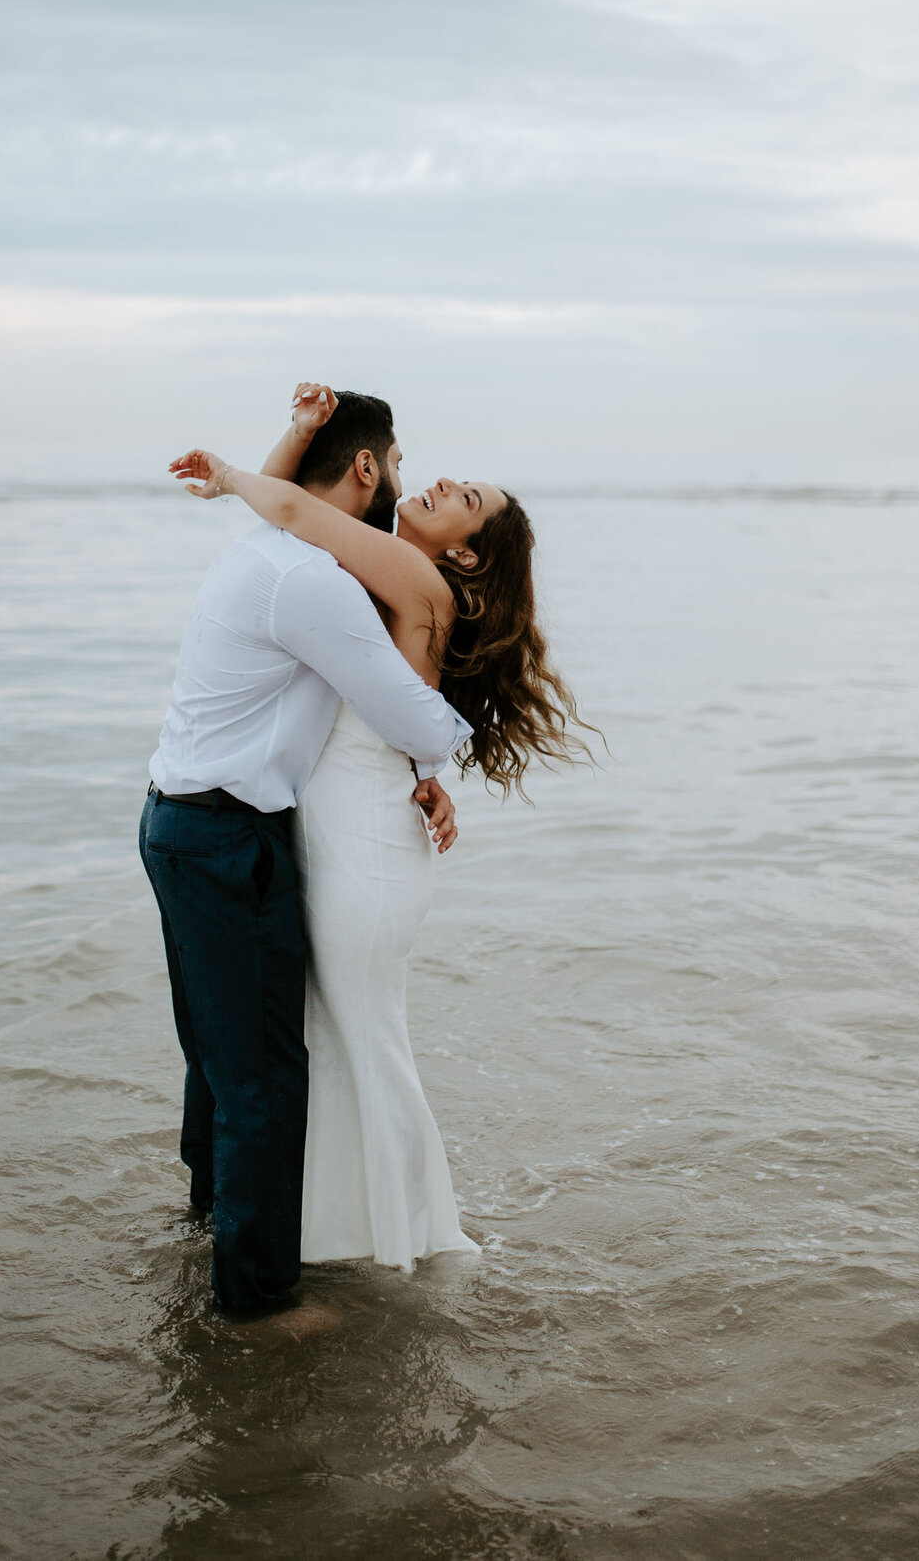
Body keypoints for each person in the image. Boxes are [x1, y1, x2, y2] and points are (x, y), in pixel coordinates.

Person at [172, 385, 591, 1275]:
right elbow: (295, 524)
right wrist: (432, 772)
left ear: (468, 555)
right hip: (339, 829)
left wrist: (227, 474)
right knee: (327, 1040)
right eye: (441, 477)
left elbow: (288, 509)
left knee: (362, 1037)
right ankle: (334, 1231)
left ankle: (406, 1232)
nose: (438, 482)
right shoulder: (374, 571)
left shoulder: (410, 576)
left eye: (465, 499)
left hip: (362, 846)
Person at [139, 390, 471, 1316]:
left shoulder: (272, 550)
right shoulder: (317, 583)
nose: (409, 475)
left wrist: (278, 445)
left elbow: (282, 499)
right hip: (223, 837)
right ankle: (255, 1304)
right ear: (367, 467)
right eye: (398, 458)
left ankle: (209, 1222)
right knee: (264, 1079)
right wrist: (454, 750)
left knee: (217, 1057)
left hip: (182, 820)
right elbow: (410, 715)